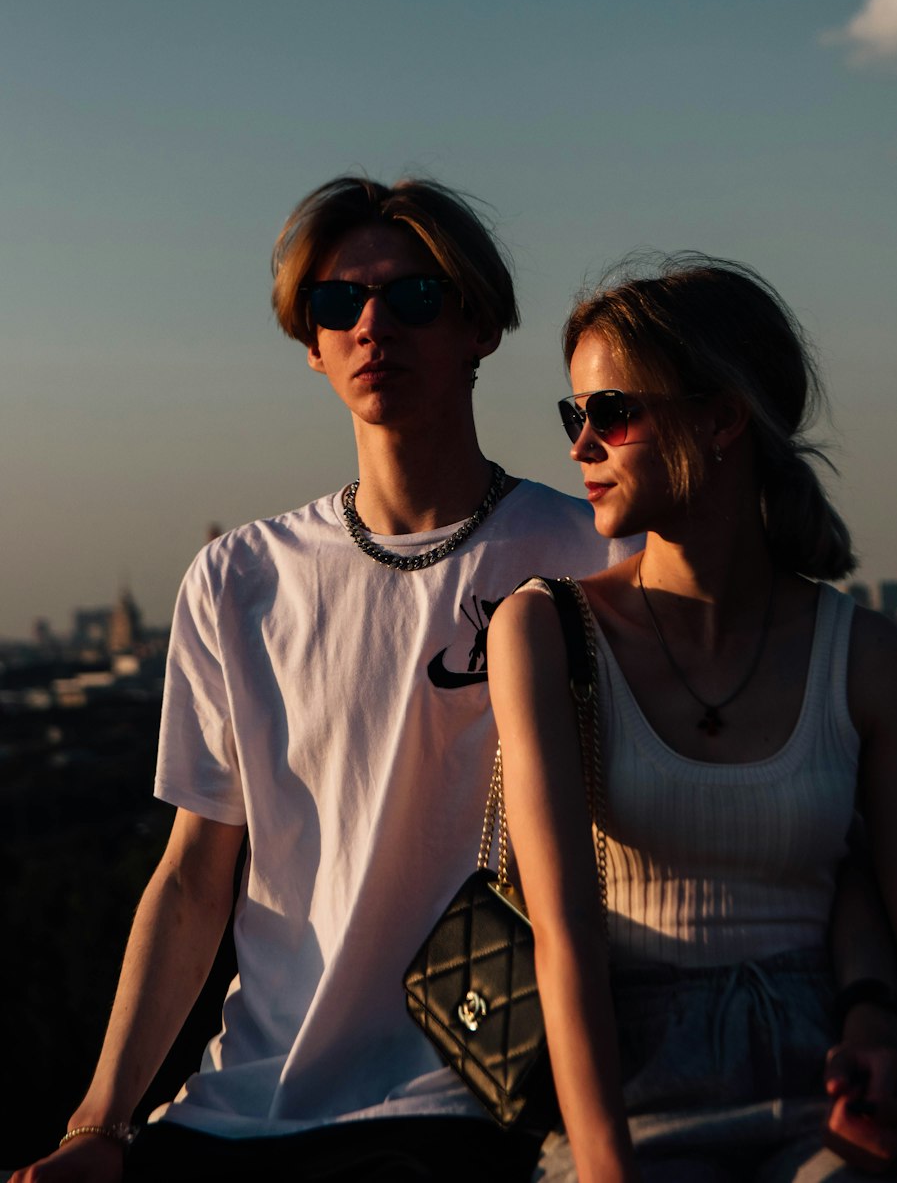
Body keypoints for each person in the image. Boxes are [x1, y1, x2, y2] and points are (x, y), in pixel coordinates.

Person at [12, 177, 639, 1183]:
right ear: (309, 343)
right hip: (240, 1106)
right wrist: (98, 1125)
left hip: (477, 1094)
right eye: (337, 305)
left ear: (479, 322)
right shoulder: (238, 579)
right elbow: (192, 877)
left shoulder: (595, 555)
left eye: (413, 297)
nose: (371, 325)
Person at [486, 254, 897, 1183]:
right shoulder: (546, 633)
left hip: (831, 1082)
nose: (578, 448)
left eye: (610, 413)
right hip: (634, 1090)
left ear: (720, 419)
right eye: (576, 416)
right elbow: (564, 933)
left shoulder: (868, 657)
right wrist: (605, 1167)